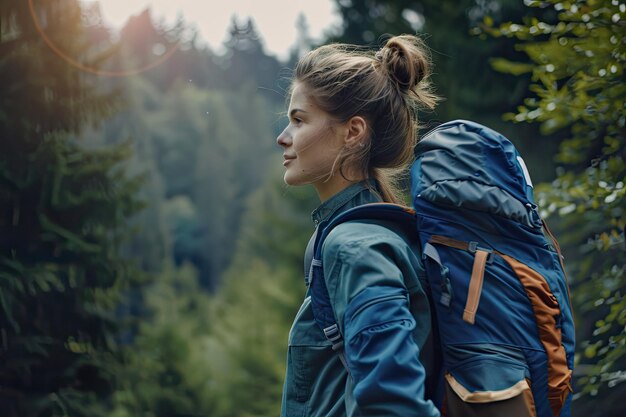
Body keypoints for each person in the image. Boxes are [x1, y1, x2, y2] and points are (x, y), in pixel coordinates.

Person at [276, 34, 441, 417]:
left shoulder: (354, 246)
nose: (283, 138)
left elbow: (392, 403)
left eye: (299, 120)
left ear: (353, 132)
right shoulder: (365, 231)